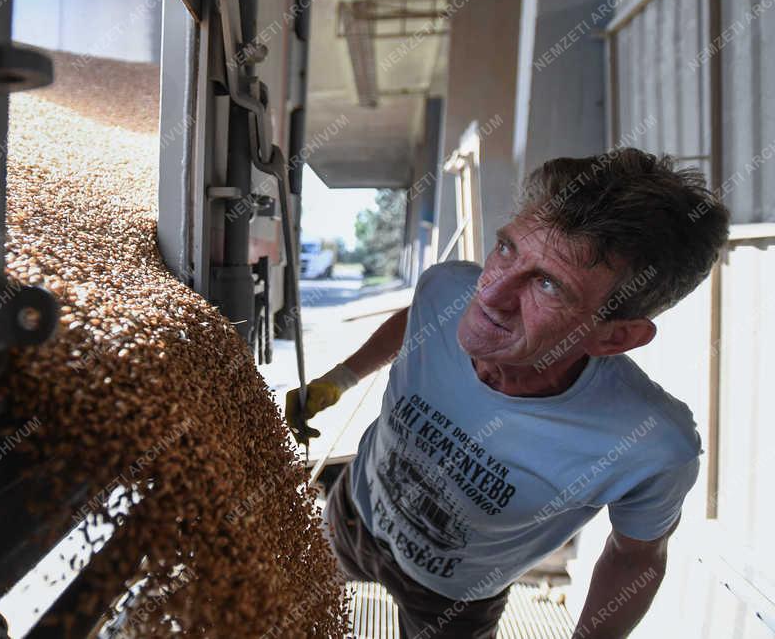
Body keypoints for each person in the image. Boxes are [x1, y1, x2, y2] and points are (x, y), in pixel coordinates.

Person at [287, 149, 730, 638]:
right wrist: (340, 379)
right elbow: (415, 320)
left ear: (615, 337)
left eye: (547, 285)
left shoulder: (650, 444)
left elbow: (634, 559)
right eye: (506, 250)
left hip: (451, 597)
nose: (490, 296)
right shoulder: (447, 288)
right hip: (353, 514)